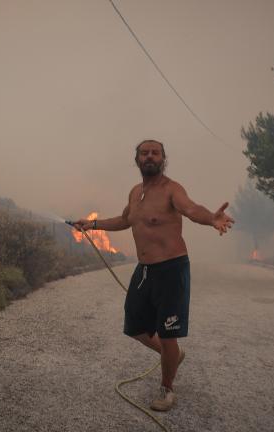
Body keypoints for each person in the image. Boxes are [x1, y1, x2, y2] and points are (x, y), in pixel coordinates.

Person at [72, 139, 234, 411]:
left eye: (155, 153)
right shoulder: (135, 193)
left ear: (163, 159)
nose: (149, 157)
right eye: (144, 153)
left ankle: (167, 389)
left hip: (172, 269)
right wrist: (93, 224)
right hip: (145, 270)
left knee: (167, 333)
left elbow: (192, 209)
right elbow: (125, 220)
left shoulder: (172, 190)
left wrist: (212, 219)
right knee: (135, 327)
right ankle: (172, 355)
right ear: (137, 160)